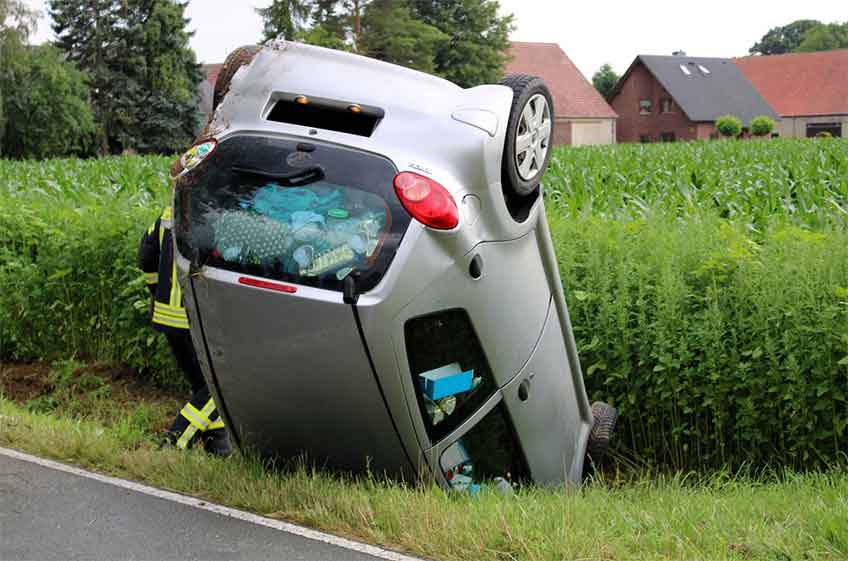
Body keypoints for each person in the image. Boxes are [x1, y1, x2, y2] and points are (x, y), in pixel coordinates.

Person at [139, 206, 232, 456]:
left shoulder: (169, 212)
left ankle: (218, 443)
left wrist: (155, 292)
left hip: (169, 316)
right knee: (222, 386)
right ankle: (175, 443)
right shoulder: (221, 211)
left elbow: (146, 257)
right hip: (199, 318)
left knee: (203, 385)